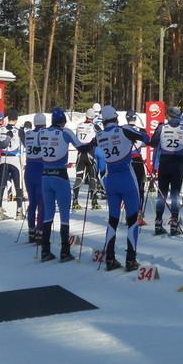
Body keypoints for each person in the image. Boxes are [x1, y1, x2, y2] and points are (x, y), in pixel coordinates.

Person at [85, 105, 150, 271]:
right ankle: (131, 260)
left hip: (111, 180)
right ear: (115, 118)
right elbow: (147, 138)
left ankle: (110, 258)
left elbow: (90, 147)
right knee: (132, 220)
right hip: (127, 179)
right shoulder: (124, 130)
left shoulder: (99, 135)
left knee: (113, 220)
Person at [36, 108, 87, 261]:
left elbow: (39, 147)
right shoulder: (66, 132)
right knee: (64, 215)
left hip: (45, 176)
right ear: (63, 121)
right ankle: (65, 251)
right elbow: (82, 148)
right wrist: (93, 143)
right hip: (60, 176)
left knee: (48, 213)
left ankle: (45, 250)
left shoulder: (42, 133)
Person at [148, 105, 183, 236]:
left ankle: (158, 222)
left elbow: (153, 143)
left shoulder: (161, 128)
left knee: (162, 194)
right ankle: (174, 224)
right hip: (178, 164)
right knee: (175, 194)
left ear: (169, 116)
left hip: (164, 163)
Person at [20, 113, 47, 243]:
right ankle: (40, 232)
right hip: (40, 169)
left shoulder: (29, 133)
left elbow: (23, 139)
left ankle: (31, 230)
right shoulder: (45, 133)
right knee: (42, 203)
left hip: (29, 169)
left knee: (32, 202)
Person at [0, 109, 23, 219]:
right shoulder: (18, 130)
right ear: (15, 119)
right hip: (14, 160)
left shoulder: (1, 129)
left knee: (1, 186)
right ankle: (19, 211)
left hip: (3, 159)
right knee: (18, 186)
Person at [72, 108, 102, 210]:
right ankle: (94, 202)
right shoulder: (95, 126)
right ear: (93, 117)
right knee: (93, 176)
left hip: (80, 154)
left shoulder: (79, 125)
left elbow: (77, 138)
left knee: (79, 177)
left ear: (86, 116)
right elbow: (100, 137)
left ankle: (75, 201)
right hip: (90, 153)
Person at [126, 110, 148, 217]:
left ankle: (128, 212)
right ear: (135, 119)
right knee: (140, 187)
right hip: (137, 161)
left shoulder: (122, 129)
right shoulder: (140, 130)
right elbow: (147, 142)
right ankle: (139, 211)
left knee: (128, 188)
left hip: (126, 162)